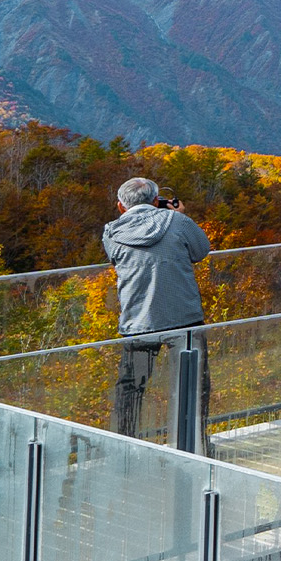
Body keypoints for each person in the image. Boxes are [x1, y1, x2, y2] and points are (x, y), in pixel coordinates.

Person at [102, 177, 212, 438]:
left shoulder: (111, 232)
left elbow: (116, 260)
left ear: (120, 206)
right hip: (184, 318)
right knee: (194, 385)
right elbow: (201, 251)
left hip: (138, 321)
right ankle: (196, 444)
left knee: (130, 389)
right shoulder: (178, 222)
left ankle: (125, 445)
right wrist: (179, 215)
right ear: (155, 200)